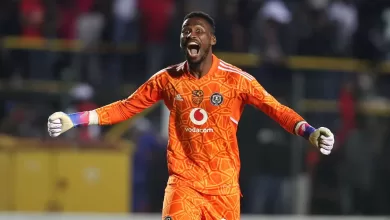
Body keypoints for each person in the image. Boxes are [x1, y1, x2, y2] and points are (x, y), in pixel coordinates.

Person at [47, 11, 335, 220]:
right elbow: (126, 106)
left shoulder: (237, 81)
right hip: (183, 184)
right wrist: (75, 119)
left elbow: (276, 109)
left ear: (212, 39)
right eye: (186, 31)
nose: (191, 35)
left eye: (198, 31)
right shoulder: (167, 79)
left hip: (223, 189)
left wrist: (310, 132)